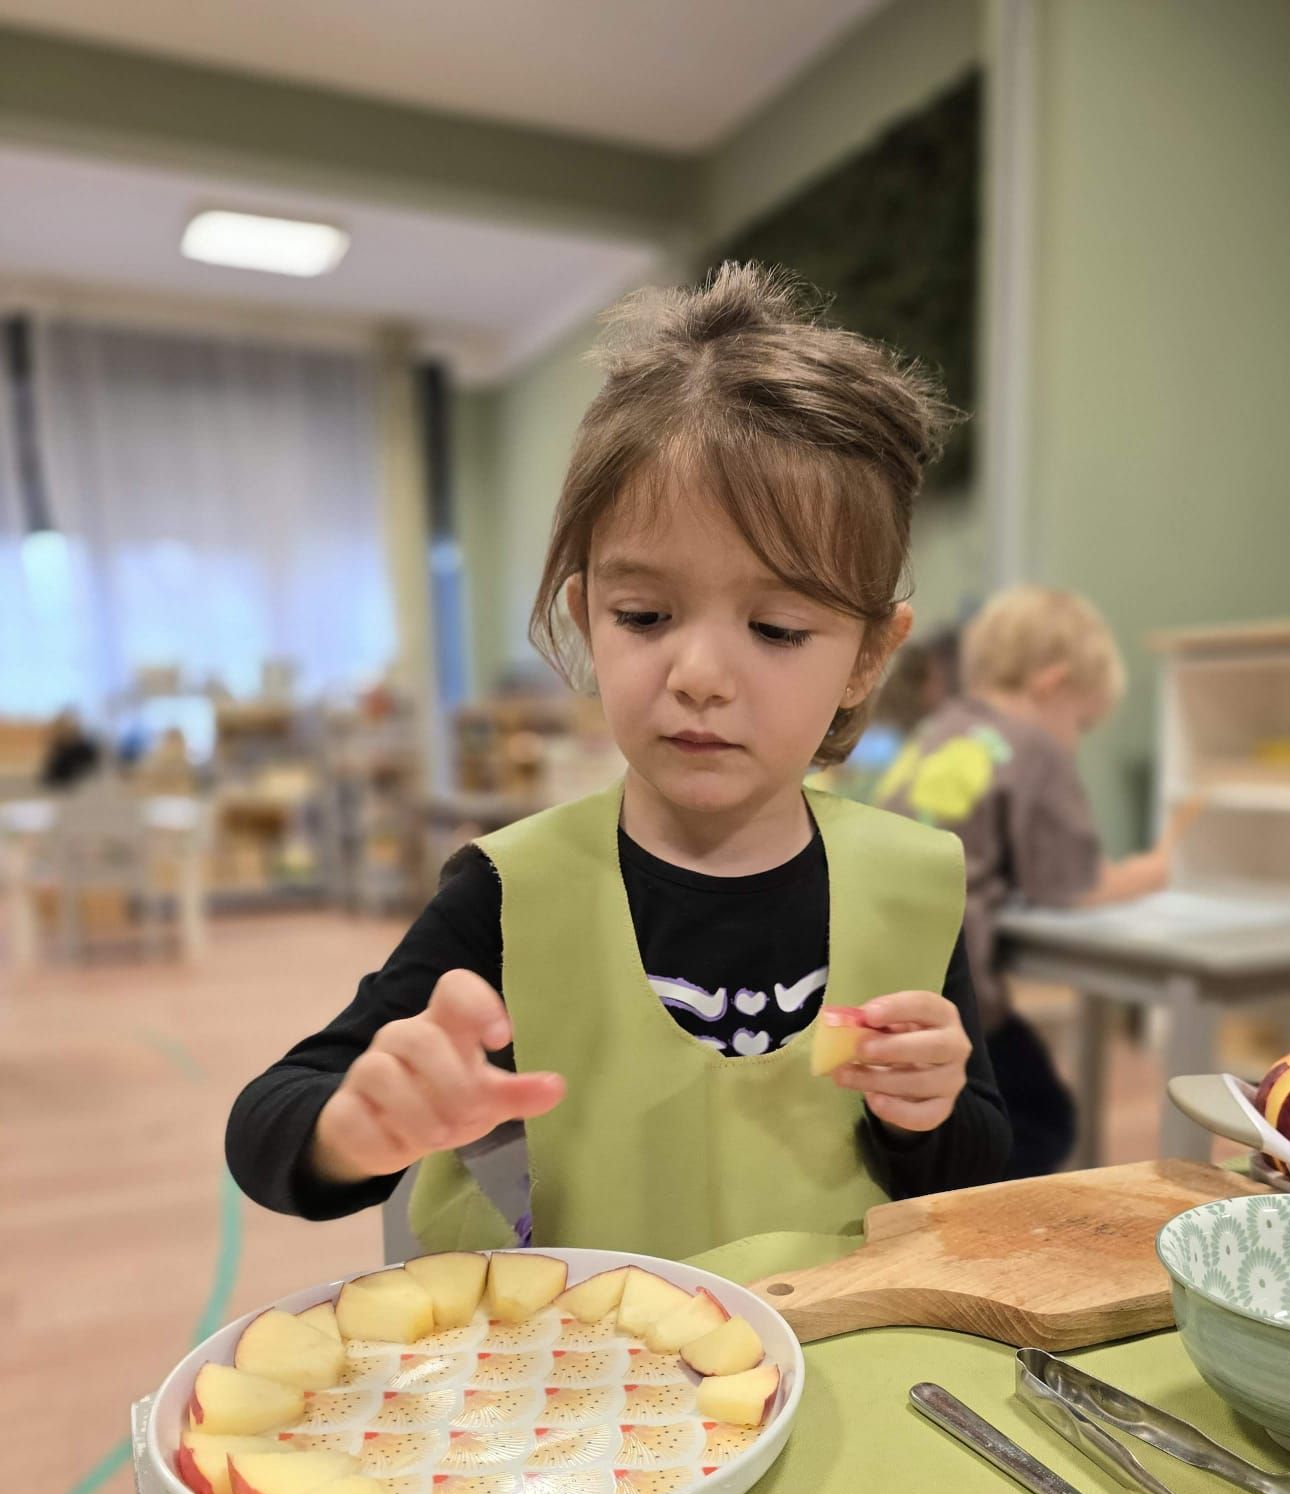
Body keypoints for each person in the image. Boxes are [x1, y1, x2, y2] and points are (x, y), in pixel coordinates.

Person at [226, 265, 1012, 1259]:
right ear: (586, 612)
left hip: (838, 1361)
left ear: (867, 655)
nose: (698, 675)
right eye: (644, 616)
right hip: (579, 1384)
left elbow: (979, 1171)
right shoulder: (512, 895)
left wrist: (931, 1112)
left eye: (775, 628)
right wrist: (357, 1127)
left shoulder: (910, 886)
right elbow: (268, 1118)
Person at [876, 585, 1196, 1179]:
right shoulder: (1035, 749)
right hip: (953, 994)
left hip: (874, 971)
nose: (1074, 741)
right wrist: (1149, 873)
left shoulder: (938, 728)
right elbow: (1072, 885)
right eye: (1082, 723)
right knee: (1046, 1116)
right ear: (1051, 687)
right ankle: (978, 1205)